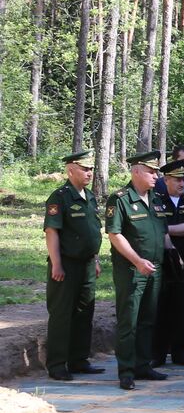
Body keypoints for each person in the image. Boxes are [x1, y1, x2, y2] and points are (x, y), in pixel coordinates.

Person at [106, 151, 168, 390]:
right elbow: (115, 235)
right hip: (132, 270)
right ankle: (127, 371)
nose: (156, 176)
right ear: (136, 172)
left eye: (156, 172)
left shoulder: (156, 198)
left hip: (155, 268)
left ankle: (143, 365)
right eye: (151, 172)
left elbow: (161, 231)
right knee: (129, 321)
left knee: (147, 319)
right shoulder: (120, 199)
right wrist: (138, 261)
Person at [43, 150, 106, 382]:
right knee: (62, 315)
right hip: (66, 264)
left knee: (84, 312)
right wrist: (57, 264)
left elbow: (92, 232)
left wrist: (96, 259)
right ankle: (57, 364)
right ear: (71, 170)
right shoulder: (59, 197)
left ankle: (79, 360)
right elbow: (52, 231)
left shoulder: (89, 196)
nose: (89, 173)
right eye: (84, 168)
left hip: (88, 263)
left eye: (91, 169)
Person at [153, 160, 184, 368]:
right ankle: (158, 353)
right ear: (166, 180)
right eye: (177, 179)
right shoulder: (156, 201)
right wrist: (166, 229)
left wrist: (164, 228)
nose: (182, 183)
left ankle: (180, 352)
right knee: (161, 306)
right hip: (163, 259)